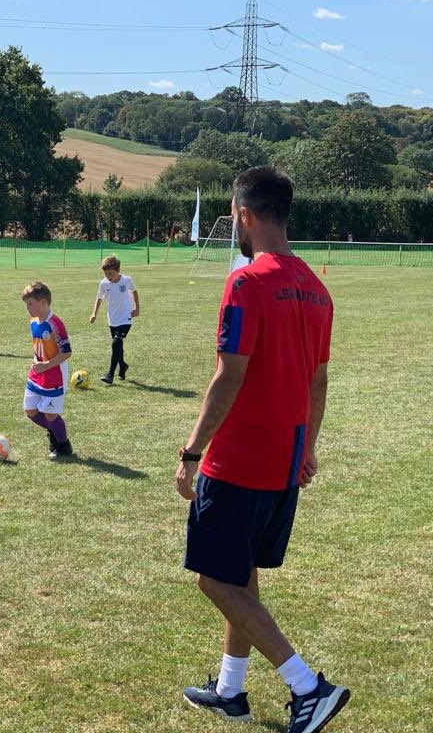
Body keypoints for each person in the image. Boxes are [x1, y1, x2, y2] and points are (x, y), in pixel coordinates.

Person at [176, 167, 348, 733]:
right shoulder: (317, 289)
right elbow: (318, 381)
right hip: (284, 459)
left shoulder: (247, 282)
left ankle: (308, 687)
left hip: (239, 459)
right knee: (241, 572)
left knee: (214, 578)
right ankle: (230, 691)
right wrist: (308, 447)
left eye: (233, 215)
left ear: (244, 214)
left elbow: (229, 374)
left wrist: (192, 451)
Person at [22, 281, 73, 459]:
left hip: (54, 376)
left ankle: (64, 445)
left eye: (30, 304)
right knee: (30, 410)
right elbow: (39, 348)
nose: (27, 308)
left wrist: (46, 365)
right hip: (37, 374)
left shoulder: (55, 323)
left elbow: (66, 353)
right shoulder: (33, 322)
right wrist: (37, 362)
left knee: (51, 415)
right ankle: (54, 431)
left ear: (43, 302)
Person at [89, 255, 139, 384]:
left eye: (110, 273)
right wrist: (94, 314)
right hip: (113, 319)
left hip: (126, 318)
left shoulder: (127, 280)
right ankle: (122, 366)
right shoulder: (104, 283)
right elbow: (99, 299)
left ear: (118, 270)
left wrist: (137, 308)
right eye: (105, 274)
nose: (108, 276)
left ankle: (110, 374)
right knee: (118, 346)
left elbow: (134, 291)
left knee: (116, 342)